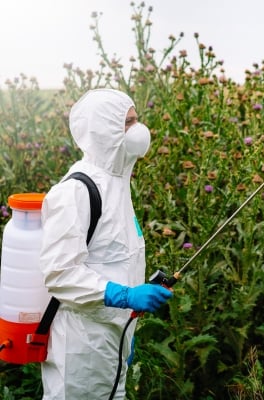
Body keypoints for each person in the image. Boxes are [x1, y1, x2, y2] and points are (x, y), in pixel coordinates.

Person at [39, 88, 172, 399]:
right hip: (82, 345)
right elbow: (60, 274)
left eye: (136, 119)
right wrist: (124, 295)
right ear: (104, 131)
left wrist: (127, 322)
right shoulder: (76, 192)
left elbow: (118, 257)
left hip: (113, 337)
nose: (138, 130)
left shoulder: (116, 183)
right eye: (127, 123)